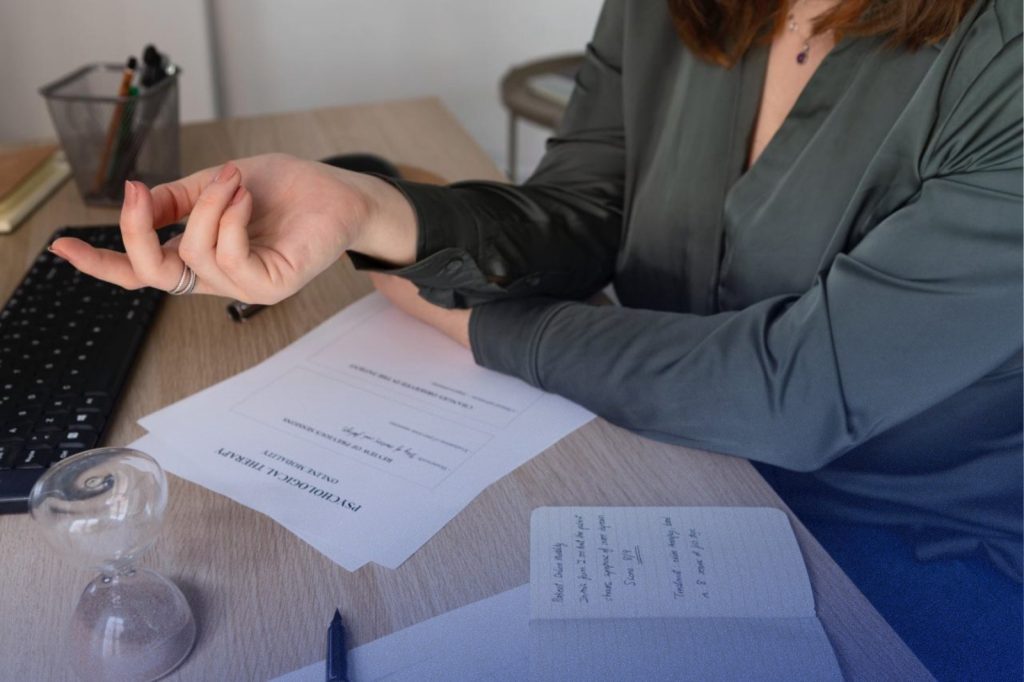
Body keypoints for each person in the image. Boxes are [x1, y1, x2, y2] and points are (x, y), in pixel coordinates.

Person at [52, 0, 1020, 678]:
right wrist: (368, 209)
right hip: (662, 453)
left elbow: (791, 390)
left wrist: (474, 323)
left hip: (911, 538)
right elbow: (580, 213)